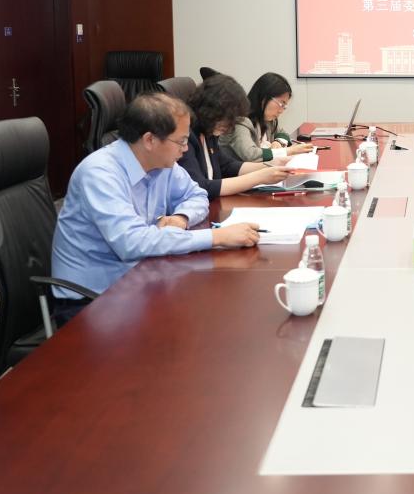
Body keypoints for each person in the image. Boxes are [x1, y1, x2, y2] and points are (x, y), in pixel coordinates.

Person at [51, 92, 261, 321]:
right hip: (91, 299)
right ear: (150, 140)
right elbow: (132, 243)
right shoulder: (100, 174)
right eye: (181, 141)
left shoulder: (161, 163)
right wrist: (216, 237)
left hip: (141, 278)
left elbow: (197, 195)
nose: (186, 149)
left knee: (215, 308)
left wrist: (182, 217)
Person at [178, 73, 293, 197]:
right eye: (229, 119)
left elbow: (227, 165)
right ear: (213, 110)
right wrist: (260, 177)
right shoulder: (186, 138)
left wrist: (272, 164)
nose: (230, 126)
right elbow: (201, 187)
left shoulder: (209, 132)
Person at [221, 72, 314, 164]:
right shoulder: (240, 120)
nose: (281, 111)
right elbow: (250, 155)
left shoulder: (268, 119)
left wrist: (278, 142)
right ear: (264, 98)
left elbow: (283, 134)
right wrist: (289, 151)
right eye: (281, 104)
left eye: (284, 107)